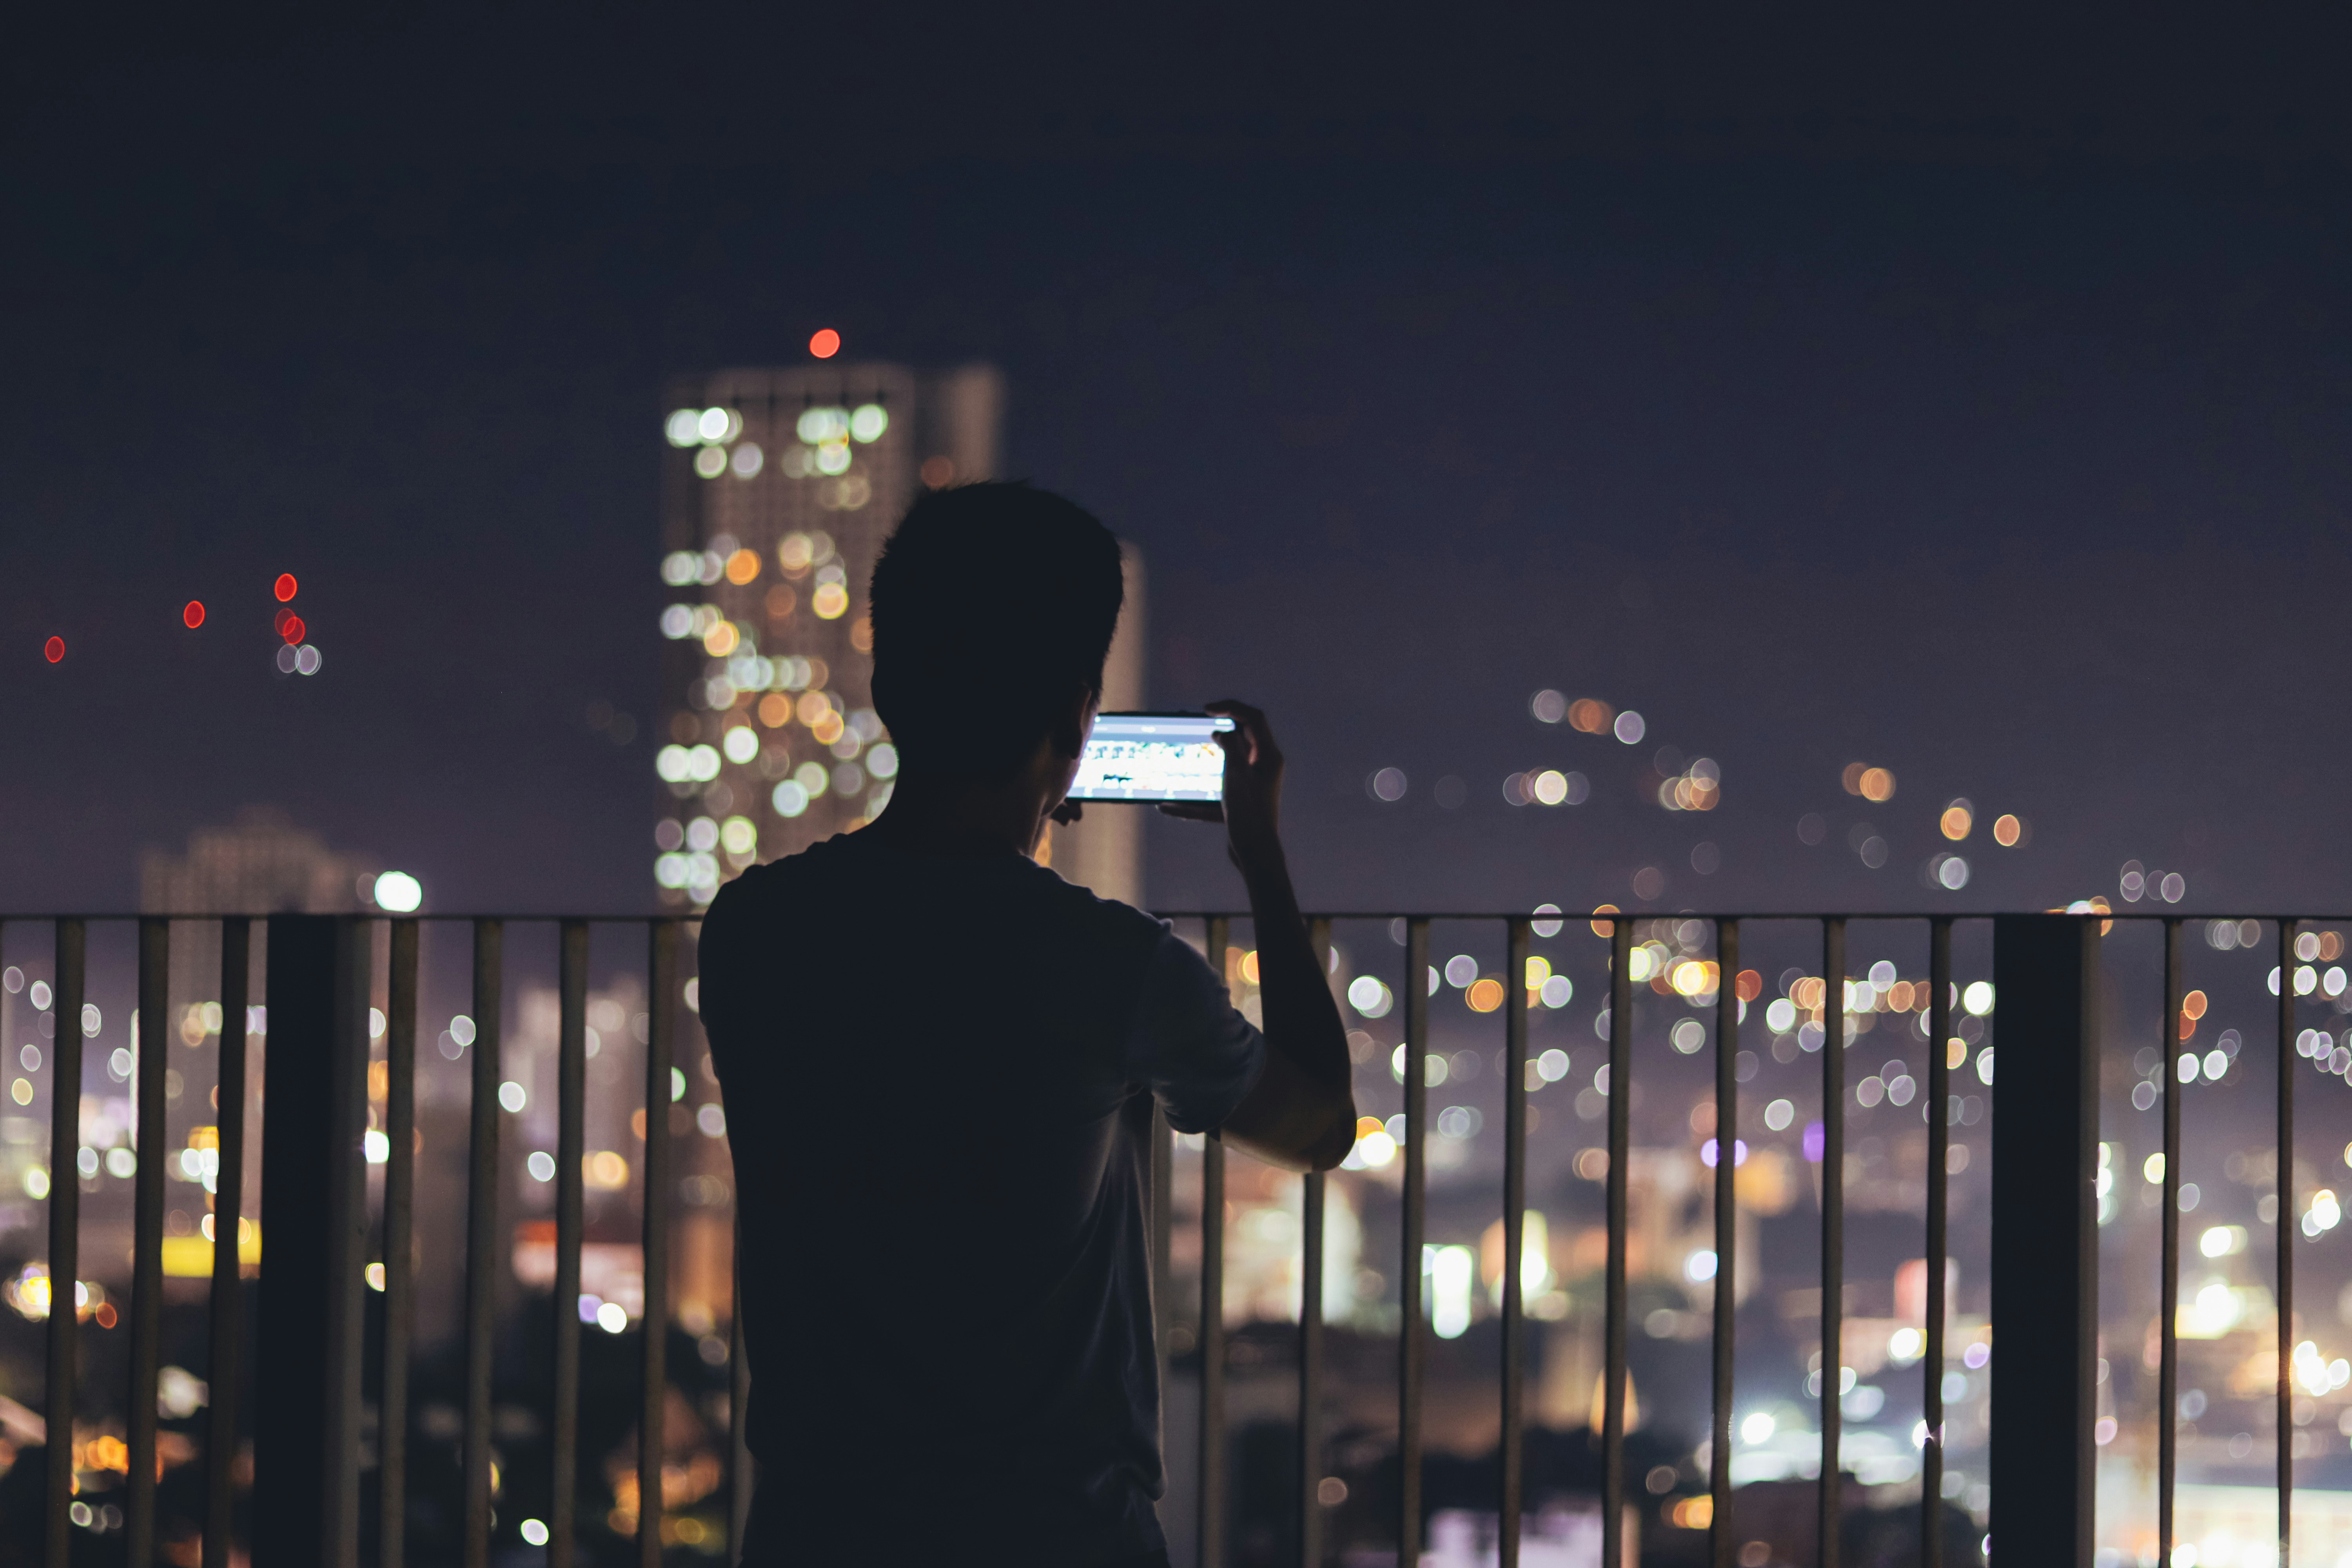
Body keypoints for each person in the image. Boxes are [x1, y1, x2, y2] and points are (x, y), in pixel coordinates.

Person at [697, 481, 1358, 1566]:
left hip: (818, 1531)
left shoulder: (755, 930)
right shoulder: (1111, 964)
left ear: (886, 690)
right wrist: (1262, 859)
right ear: (1075, 721)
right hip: (1055, 1534)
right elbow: (1319, 1124)